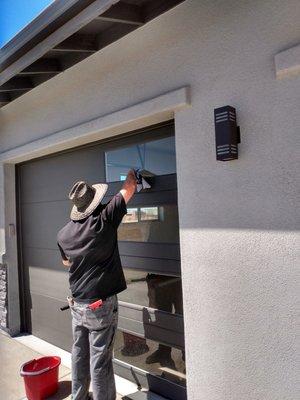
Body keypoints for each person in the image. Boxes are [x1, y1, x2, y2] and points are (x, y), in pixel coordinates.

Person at [57, 170, 137, 400]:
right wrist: (133, 172)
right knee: (100, 361)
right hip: (99, 306)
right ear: (94, 200)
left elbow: (66, 262)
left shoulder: (63, 234)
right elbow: (129, 187)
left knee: (80, 354)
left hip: (77, 304)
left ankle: (79, 397)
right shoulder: (104, 218)